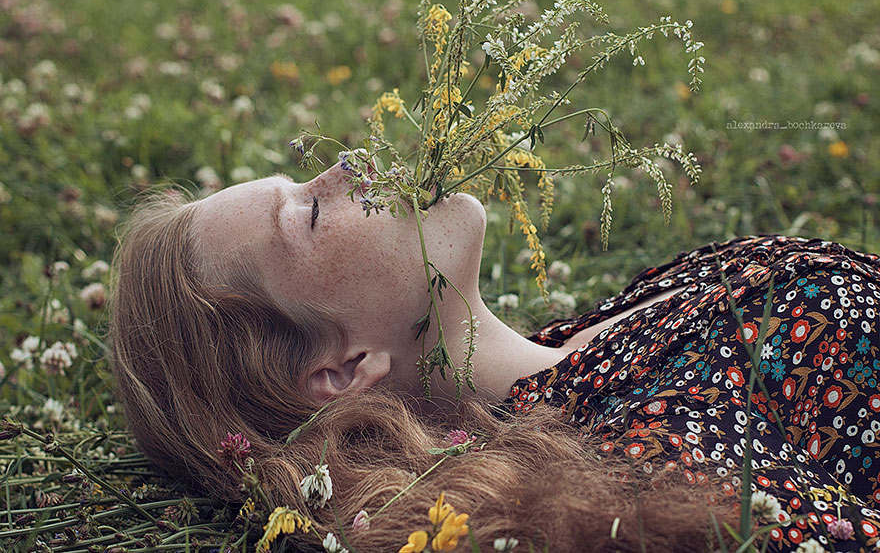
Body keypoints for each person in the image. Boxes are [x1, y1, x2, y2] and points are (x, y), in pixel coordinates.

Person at [109, 161, 880, 553]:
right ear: (340, 370)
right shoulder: (654, 458)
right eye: (308, 212)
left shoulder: (593, 338)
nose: (347, 163)